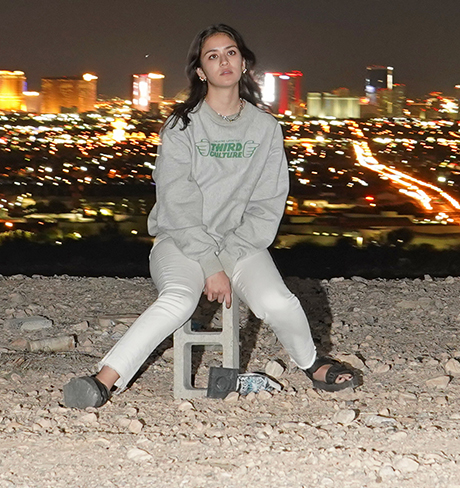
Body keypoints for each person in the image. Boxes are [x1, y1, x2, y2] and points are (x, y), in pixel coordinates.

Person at [63, 23, 361, 408]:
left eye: (231, 52)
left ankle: (312, 364)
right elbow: (176, 201)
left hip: (240, 244)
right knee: (178, 300)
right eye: (213, 56)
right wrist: (208, 262)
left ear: (244, 63)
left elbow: (268, 202)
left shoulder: (265, 128)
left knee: (277, 301)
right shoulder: (182, 125)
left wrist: (227, 257)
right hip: (181, 241)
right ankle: (103, 381)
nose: (224, 61)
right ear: (201, 71)